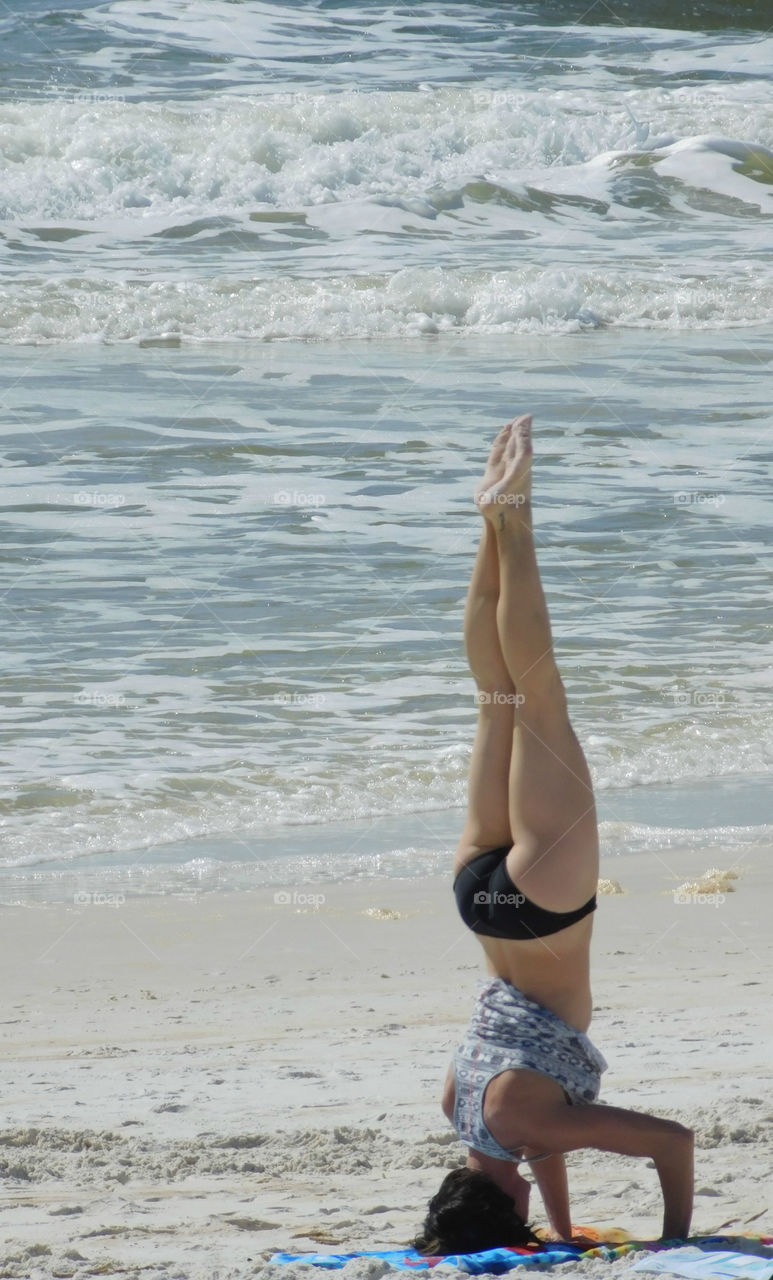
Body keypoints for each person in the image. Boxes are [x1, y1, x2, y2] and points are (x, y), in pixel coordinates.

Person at [414, 416, 693, 1254]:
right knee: (495, 696)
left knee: (539, 697)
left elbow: (671, 1143)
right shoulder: (468, 1115)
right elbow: (536, 1144)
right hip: (480, 901)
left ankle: (516, 517)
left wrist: (675, 1238)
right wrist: (562, 1228)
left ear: (511, 1213)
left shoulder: (529, 1127)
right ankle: (489, 522)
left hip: (543, 911)